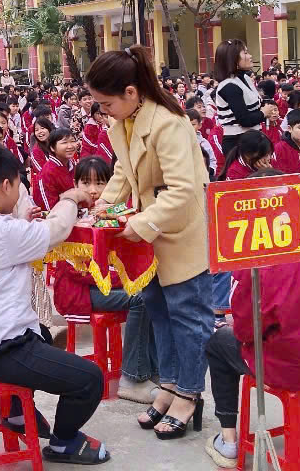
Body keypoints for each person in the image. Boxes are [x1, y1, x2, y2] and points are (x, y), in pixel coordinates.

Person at [85, 46, 215, 441]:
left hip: (179, 233)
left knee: (188, 318)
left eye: (106, 103)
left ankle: (189, 394)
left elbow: (183, 190)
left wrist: (140, 223)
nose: (103, 111)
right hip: (149, 237)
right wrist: (103, 208)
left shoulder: (168, 124)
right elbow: (123, 172)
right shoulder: (126, 122)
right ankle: (170, 385)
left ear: (130, 92)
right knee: (159, 311)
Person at [0, 141, 109, 464]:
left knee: (41, 330)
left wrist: (24, 219)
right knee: (90, 379)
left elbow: (13, 236)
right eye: (19, 185)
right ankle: (64, 442)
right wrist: (70, 198)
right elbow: (57, 230)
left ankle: (16, 410)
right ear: (6, 185)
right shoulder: (3, 232)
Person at [204, 207, 300, 467]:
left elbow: (245, 330)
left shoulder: (258, 259)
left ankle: (228, 441)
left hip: (294, 367)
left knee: (219, 343)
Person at [50, 156, 158, 404]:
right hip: (79, 292)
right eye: (85, 183)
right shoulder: (70, 217)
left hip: (103, 287)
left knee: (154, 293)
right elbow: (79, 272)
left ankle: (152, 369)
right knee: (141, 298)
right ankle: (133, 377)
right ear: (75, 185)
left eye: (100, 183)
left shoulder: (115, 216)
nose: (93, 190)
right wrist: (125, 281)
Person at [213, 39, 265, 156]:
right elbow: (244, 120)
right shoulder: (229, 86)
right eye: (245, 53)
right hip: (238, 143)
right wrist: (264, 113)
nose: (250, 56)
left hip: (254, 138)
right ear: (233, 59)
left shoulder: (245, 78)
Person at [34, 126, 78, 211]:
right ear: (52, 148)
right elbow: (49, 209)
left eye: (72, 141)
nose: (70, 146)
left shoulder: (72, 164)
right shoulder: (48, 172)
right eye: (64, 142)